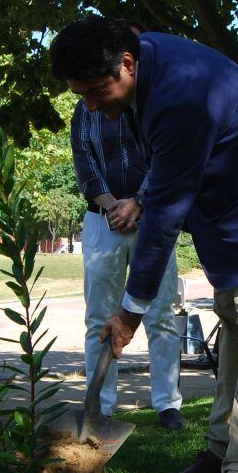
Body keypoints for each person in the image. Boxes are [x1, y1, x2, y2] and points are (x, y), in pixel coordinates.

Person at [50, 17, 238, 473]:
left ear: (127, 63)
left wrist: (131, 310)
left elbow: (163, 216)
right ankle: (222, 451)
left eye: (96, 91)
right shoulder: (145, 67)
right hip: (226, 205)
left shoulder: (180, 95)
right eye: (82, 96)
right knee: (236, 328)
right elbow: (165, 173)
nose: (91, 106)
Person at [70, 94, 185, 430]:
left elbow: (162, 159)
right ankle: (101, 407)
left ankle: (168, 404)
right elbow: (85, 167)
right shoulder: (83, 111)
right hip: (102, 221)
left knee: (161, 313)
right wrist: (114, 206)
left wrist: (137, 201)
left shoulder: (147, 104)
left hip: (152, 218)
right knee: (99, 320)